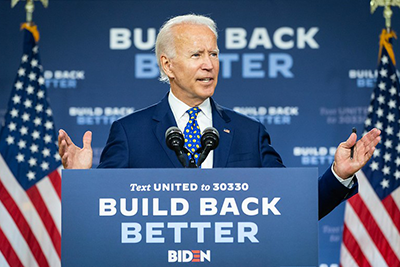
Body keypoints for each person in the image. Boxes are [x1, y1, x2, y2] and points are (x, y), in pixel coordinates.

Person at [58, 14, 381, 219]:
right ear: (167, 65)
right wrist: (80, 182)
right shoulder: (130, 133)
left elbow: (292, 211)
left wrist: (338, 175)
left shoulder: (248, 133)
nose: (209, 64)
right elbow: (103, 217)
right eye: (196, 55)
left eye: (213, 53)